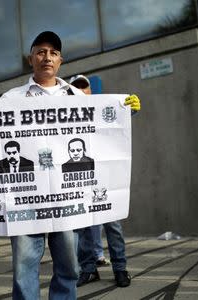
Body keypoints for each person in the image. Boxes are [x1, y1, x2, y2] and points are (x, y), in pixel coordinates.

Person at [0, 31, 141, 299]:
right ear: (30, 58)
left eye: (54, 53)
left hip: (66, 200)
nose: (48, 57)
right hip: (26, 201)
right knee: (24, 267)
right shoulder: (11, 98)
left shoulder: (76, 97)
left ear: (60, 61)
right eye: (41, 52)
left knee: (69, 265)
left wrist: (127, 111)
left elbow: (102, 126)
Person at [69, 74, 132, 287]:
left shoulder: (102, 109)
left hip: (105, 180)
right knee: (83, 227)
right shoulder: (66, 114)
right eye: (75, 87)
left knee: (113, 225)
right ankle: (88, 270)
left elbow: (118, 119)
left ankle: (120, 268)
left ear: (90, 90)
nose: (80, 90)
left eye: (83, 87)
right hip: (79, 181)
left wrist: (130, 110)